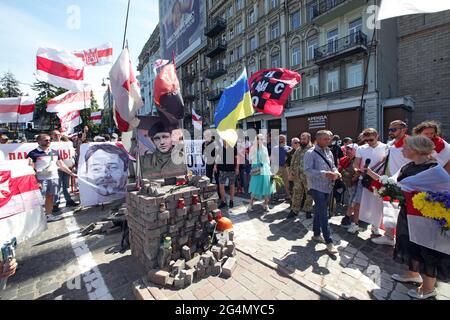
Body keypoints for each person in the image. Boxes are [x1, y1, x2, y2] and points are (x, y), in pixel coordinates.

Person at [366, 135, 450, 299]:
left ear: (416, 150)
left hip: (426, 219)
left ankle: (428, 289)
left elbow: (443, 193)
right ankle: (412, 274)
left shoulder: (434, 170)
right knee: (409, 245)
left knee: (427, 251)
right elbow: (393, 184)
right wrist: (371, 175)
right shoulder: (408, 166)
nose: (402, 149)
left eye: (406, 147)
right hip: (407, 214)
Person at [371, 120, 410, 245]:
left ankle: (403, 240)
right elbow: (385, 160)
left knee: (402, 212)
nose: (390, 132)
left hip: (404, 182)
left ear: (403, 130)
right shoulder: (392, 143)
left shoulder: (409, 143)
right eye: (389, 129)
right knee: (389, 209)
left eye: (393, 129)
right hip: (390, 180)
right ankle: (389, 236)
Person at [304, 130, 341, 254]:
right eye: (325, 139)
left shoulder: (328, 151)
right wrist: (325, 174)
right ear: (318, 139)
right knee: (324, 212)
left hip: (327, 187)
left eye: (329, 139)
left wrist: (336, 172)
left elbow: (333, 165)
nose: (328, 141)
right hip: (315, 187)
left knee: (319, 210)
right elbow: (307, 171)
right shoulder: (310, 153)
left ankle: (315, 234)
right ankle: (329, 241)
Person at [347, 128, 388, 236]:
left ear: (376, 136)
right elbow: (356, 163)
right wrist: (356, 170)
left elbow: (386, 164)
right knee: (358, 202)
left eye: (371, 140)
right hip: (363, 179)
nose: (369, 142)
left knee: (377, 203)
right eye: (366, 140)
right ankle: (355, 224)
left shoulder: (385, 147)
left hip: (377, 179)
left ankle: (375, 226)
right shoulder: (361, 148)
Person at [27, 134, 77, 222]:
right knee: (38, 199)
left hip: (54, 178)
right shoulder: (33, 153)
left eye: (49, 140)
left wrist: (71, 173)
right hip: (40, 179)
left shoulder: (54, 152)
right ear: (39, 141)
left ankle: (49, 215)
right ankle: (35, 219)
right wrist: (36, 181)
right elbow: (30, 169)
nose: (48, 141)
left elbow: (61, 164)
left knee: (50, 197)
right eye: (45, 140)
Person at [51, 130, 78, 212]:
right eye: (55, 135)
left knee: (66, 186)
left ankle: (68, 201)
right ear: (51, 136)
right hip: (57, 169)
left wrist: (72, 165)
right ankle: (55, 204)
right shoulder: (50, 145)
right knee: (57, 187)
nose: (57, 136)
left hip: (66, 168)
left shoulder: (66, 144)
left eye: (58, 135)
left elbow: (71, 155)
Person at [288, 133, 314, 219]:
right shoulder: (298, 149)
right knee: (296, 193)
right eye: (301, 139)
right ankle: (294, 210)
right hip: (297, 177)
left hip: (308, 177)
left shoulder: (313, 149)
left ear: (308, 139)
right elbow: (293, 160)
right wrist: (291, 171)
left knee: (309, 194)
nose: (302, 141)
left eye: (304, 139)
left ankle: (308, 210)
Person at [248, 134, 275, 212]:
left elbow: (267, 160)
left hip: (265, 168)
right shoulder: (253, 148)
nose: (262, 140)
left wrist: (270, 170)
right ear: (256, 140)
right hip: (257, 169)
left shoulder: (265, 148)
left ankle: (265, 204)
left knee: (267, 186)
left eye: (262, 139)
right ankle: (250, 205)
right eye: (260, 139)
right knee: (255, 186)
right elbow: (250, 159)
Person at [339, 143, 361, 227]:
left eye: (350, 149)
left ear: (356, 151)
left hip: (357, 184)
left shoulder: (359, 160)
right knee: (351, 199)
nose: (348, 151)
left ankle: (348, 217)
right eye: (347, 149)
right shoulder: (345, 159)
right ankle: (350, 216)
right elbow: (340, 170)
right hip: (348, 184)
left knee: (353, 200)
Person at [214, 140, 239, 209]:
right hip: (222, 170)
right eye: (223, 139)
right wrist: (215, 166)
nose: (224, 140)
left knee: (232, 186)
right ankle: (223, 201)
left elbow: (237, 159)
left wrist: (237, 168)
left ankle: (231, 200)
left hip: (231, 170)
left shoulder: (233, 148)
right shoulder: (220, 149)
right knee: (221, 186)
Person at [271, 134, 292, 201]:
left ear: (285, 140)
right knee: (277, 182)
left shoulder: (289, 148)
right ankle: (275, 195)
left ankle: (288, 195)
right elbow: (272, 158)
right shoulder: (274, 148)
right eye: (280, 139)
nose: (281, 140)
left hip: (286, 168)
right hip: (277, 167)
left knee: (287, 182)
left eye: (283, 139)